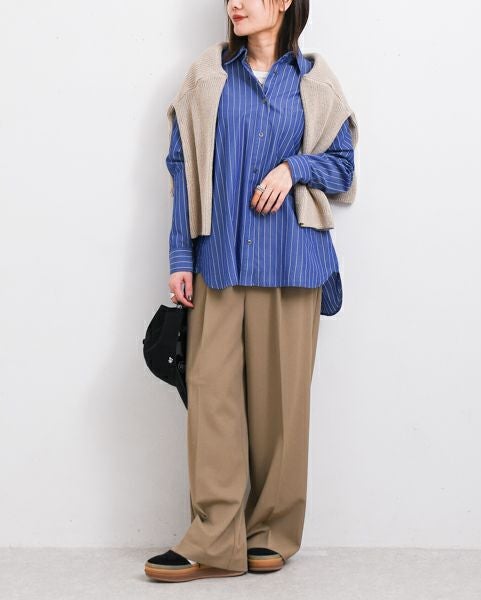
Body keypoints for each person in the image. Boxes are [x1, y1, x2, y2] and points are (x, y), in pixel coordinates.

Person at [144, 0, 357, 584]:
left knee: (282, 407)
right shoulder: (207, 78)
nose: (235, 3)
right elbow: (182, 167)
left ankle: (272, 533)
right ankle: (214, 536)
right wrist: (181, 256)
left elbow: (343, 167)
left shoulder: (315, 82)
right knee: (210, 395)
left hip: (293, 262)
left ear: (284, 2)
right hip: (220, 262)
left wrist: (295, 169)